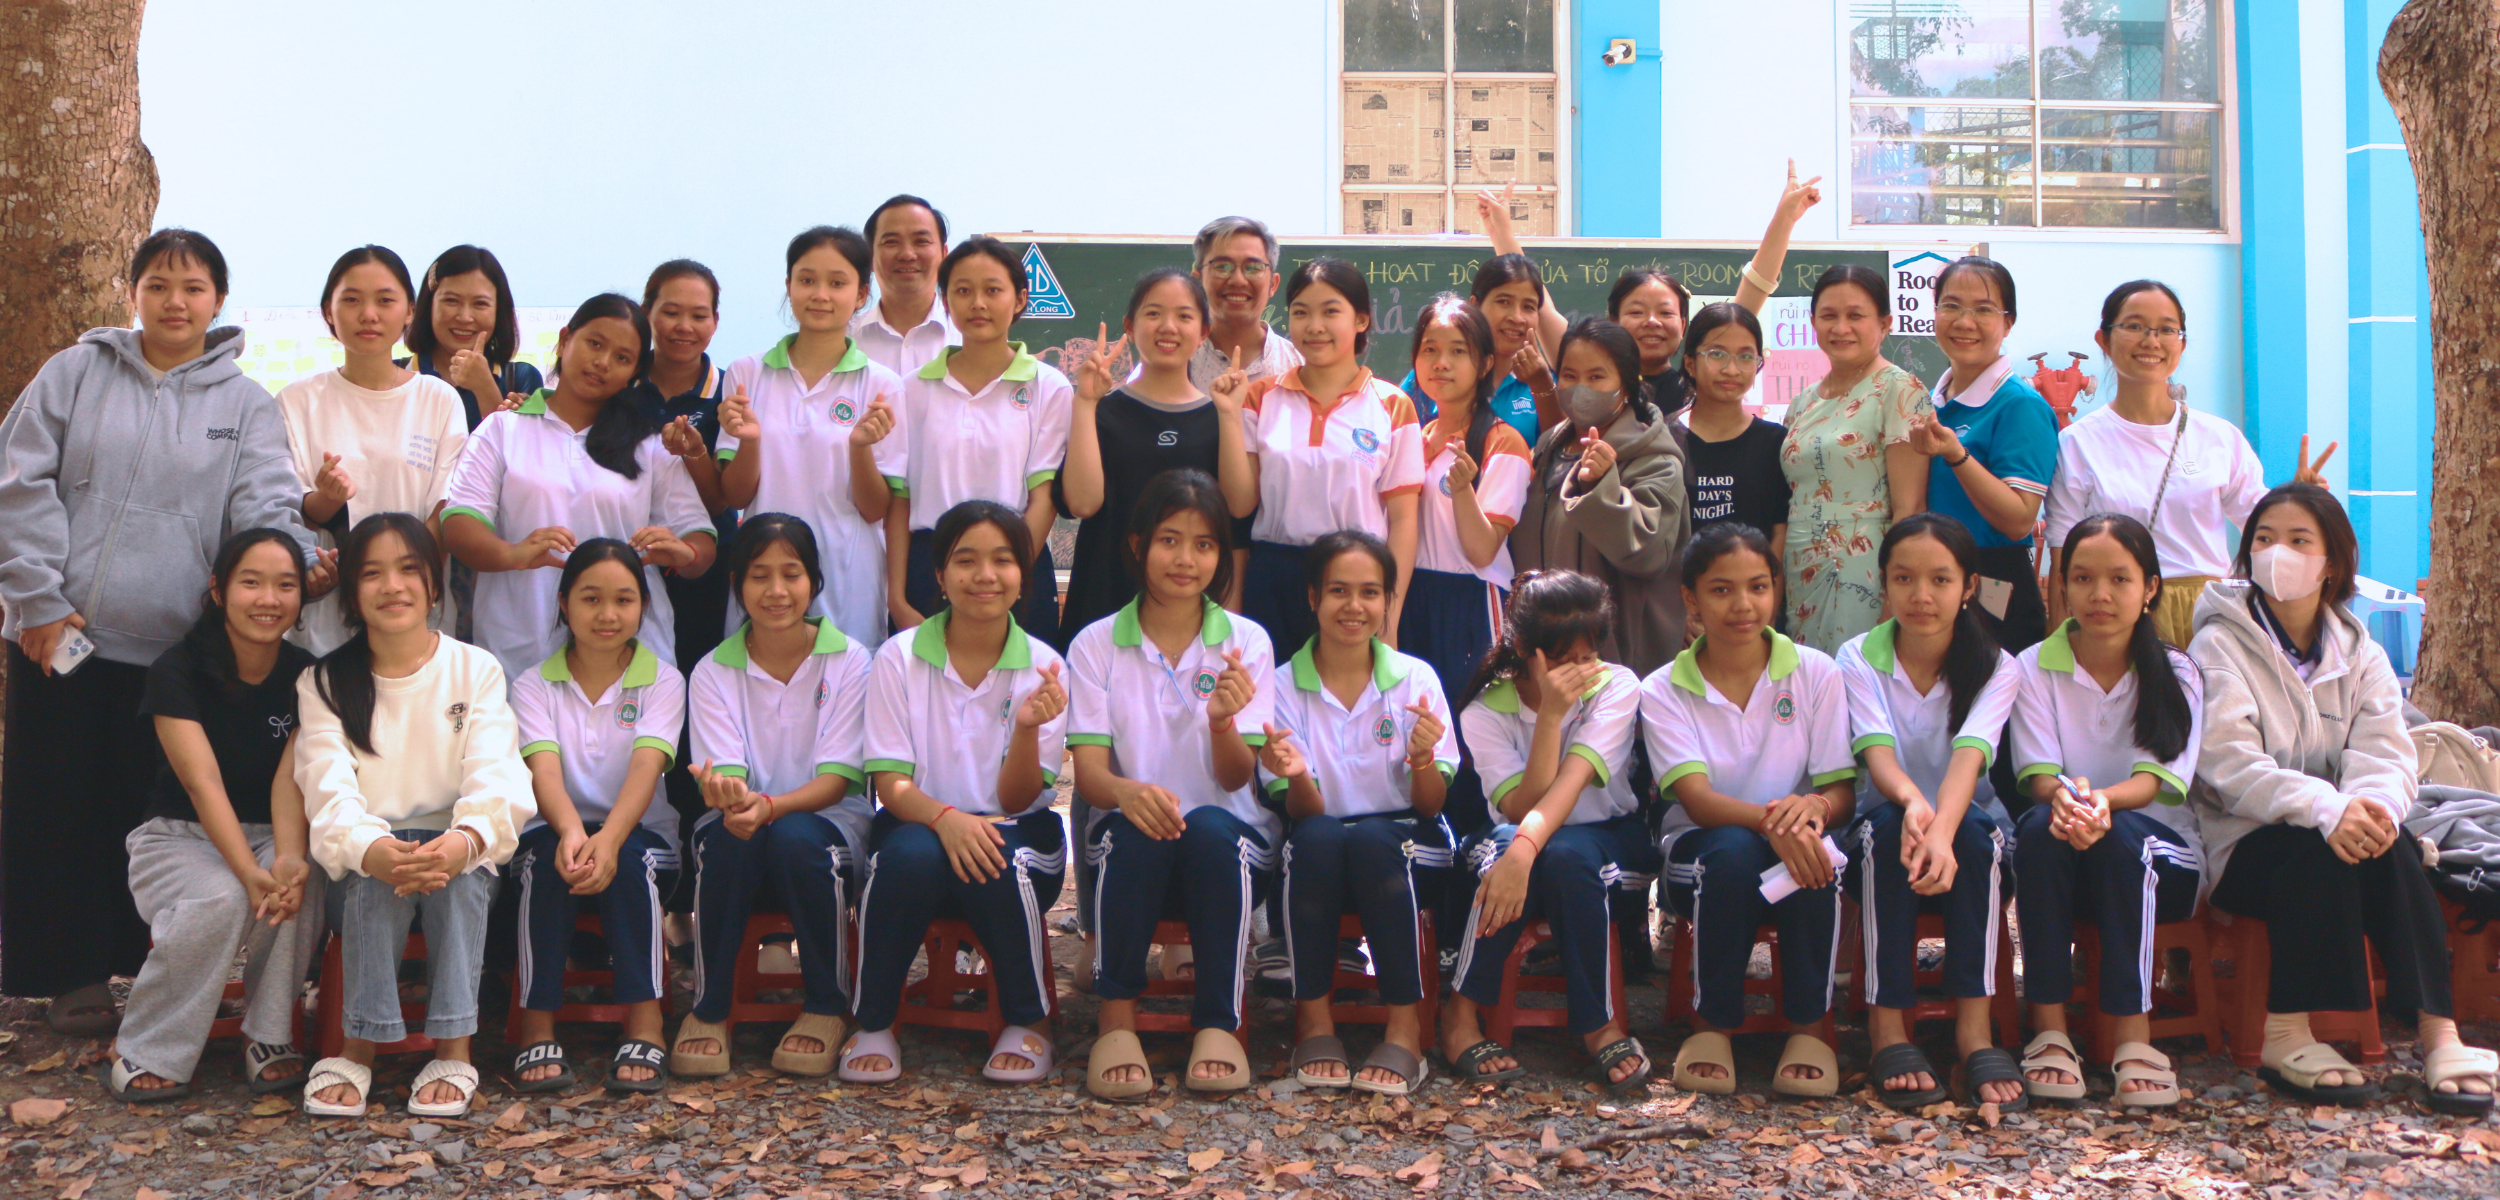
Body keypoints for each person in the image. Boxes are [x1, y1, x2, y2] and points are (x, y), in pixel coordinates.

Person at [0, 228, 319, 1025]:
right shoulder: (74, 372)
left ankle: (144, 971)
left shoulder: (245, 404)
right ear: (134, 292)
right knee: (58, 805)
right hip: (60, 637)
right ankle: (67, 978)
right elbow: (19, 482)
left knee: (145, 814)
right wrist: (37, 600)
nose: (176, 302)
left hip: (176, 657)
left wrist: (296, 561)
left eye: (193, 287)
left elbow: (266, 505)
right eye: (159, 285)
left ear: (218, 301)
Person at [2189, 484, 2497, 1113]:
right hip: (2242, 845)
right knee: (2314, 849)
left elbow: (2387, 752)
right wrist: (2326, 809)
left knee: (2396, 843)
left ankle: (2439, 1034)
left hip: (2342, 831)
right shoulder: (2217, 646)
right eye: (2264, 539)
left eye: (2298, 540)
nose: (2278, 553)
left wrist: (2371, 808)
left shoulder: (2362, 653)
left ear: (2332, 562)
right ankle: (2285, 1033)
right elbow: (2228, 766)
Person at [296, 514, 533, 1120]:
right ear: (351, 593)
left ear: (433, 585)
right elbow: (326, 789)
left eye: (408, 569)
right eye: (371, 573)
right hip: (366, 857)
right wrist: (372, 850)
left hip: (458, 847)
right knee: (378, 881)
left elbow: (497, 775)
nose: (392, 586)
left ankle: (455, 1048)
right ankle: (360, 1047)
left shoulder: (474, 669)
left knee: (460, 880)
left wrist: (463, 841)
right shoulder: (324, 681)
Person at [1068, 471, 1276, 1099]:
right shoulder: (1095, 644)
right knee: (1133, 828)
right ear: (1137, 545)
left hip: (1227, 847)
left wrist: (1223, 723)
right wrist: (1127, 793)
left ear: (1220, 555)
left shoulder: (1246, 642)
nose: (1186, 559)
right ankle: (1116, 1022)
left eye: (1204, 544)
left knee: (1210, 826)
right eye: (1169, 540)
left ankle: (1219, 1022)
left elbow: (1238, 778)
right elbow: (1089, 775)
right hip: (1133, 845)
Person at [849, 501, 1070, 1084]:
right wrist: (946, 819)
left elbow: (1019, 801)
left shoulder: (1045, 666)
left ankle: (1028, 1020)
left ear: (1023, 575)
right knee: (905, 855)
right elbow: (890, 784)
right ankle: (873, 1022)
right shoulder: (898, 657)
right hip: (919, 824)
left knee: (996, 855)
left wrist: (1027, 729)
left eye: (1002, 560)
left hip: (1017, 832)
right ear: (940, 576)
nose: (985, 576)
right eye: (966, 560)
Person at [107, 530, 322, 1103]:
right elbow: (201, 783)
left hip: (273, 829)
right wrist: (247, 872)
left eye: (286, 585)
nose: (268, 599)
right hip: (179, 838)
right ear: (219, 589)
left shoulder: (307, 675)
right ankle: (147, 1045)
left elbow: (291, 780)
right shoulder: (177, 669)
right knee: (222, 897)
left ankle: (268, 1034)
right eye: (251, 582)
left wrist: (288, 856)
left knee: (303, 881)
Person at [1642, 524, 1854, 1098]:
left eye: (1758, 587)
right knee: (1734, 854)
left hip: (1794, 841)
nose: (1743, 605)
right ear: (1690, 598)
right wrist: (1775, 825)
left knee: (1813, 856)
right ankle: (1712, 1026)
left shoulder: (1816, 671)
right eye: (1721, 590)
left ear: (1776, 590)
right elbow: (1697, 801)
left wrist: (1812, 809)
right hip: (1699, 851)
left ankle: (1810, 1028)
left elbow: (1840, 790)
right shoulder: (1663, 689)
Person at [2008, 514, 2206, 1108]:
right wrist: (2068, 803)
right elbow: (2038, 775)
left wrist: (2099, 803)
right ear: (2061, 586)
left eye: (2119, 579)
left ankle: (2133, 1037)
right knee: (2037, 830)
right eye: (2083, 578)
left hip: (2163, 860)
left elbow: (2153, 783)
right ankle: (2048, 1031)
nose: (2100, 594)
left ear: (2150, 588)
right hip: (2068, 844)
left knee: (2123, 841)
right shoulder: (2031, 666)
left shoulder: (2178, 671)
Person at [671, 515, 875, 1079]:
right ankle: (710, 1007)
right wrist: (728, 794)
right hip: (742, 822)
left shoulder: (851, 661)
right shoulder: (713, 670)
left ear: (814, 581)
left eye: (792, 574)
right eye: (759, 575)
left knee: (795, 838)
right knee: (728, 840)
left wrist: (772, 807)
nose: (777, 591)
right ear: (737, 584)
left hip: (832, 822)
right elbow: (726, 774)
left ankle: (826, 1004)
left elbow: (839, 779)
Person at [1837, 514, 2024, 1110]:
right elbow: (1876, 753)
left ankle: (1975, 1035)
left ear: (1969, 586)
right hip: (1884, 831)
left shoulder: (1998, 665)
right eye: (1904, 578)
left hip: (1967, 833)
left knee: (1975, 837)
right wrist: (1914, 802)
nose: (1921, 595)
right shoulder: (1857, 657)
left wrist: (1939, 829)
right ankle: (1888, 1030)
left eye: (1940, 579)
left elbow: (1970, 757)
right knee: (1885, 831)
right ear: (1884, 583)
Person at [1259, 532, 1454, 1097]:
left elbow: (1432, 804)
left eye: (1370, 592)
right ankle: (1315, 1023)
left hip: (1408, 841)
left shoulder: (1416, 679)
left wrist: (1422, 759)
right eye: (1338, 590)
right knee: (1316, 837)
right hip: (1323, 845)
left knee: (1372, 839)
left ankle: (1405, 1031)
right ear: (1313, 597)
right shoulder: (1280, 685)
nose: (1354, 606)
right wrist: (1298, 775)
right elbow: (1306, 811)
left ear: (1388, 601)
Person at [1443, 570, 1653, 1094]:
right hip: (1517, 838)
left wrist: (1525, 848)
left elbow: (1573, 782)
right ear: (1524, 649)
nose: (1580, 671)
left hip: (1605, 838)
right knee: (1506, 849)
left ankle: (1598, 1024)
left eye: (1588, 656)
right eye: (1562, 660)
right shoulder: (1483, 710)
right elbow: (1521, 807)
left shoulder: (1617, 686)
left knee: (1565, 855)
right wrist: (1550, 719)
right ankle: (1460, 1016)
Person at [2041, 280, 2333, 647]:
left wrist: (2300, 503)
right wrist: (2058, 650)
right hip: (2118, 618)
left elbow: (2263, 527)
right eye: (2134, 326)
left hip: (2212, 620)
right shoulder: (2076, 443)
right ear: (2104, 340)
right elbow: (2063, 556)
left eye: (2166, 330)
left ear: (2181, 343)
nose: (2151, 341)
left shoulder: (2218, 437)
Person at [443, 293, 717, 681]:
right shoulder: (502, 429)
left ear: (634, 373)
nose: (603, 362)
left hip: (631, 655)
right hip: (522, 647)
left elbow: (700, 542)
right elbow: (460, 527)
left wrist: (683, 553)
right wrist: (514, 555)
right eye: (595, 344)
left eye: (622, 357)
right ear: (565, 339)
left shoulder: (650, 444)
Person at [507, 539, 686, 1095]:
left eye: (623, 600)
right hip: (555, 831)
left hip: (643, 838)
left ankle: (646, 1023)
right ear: (564, 604)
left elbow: (647, 767)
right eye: (591, 599)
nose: (607, 614)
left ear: (643, 607)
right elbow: (542, 772)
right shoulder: (532, 685)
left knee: (630, 861)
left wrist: (607, 838)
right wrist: (570, 831)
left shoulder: (664, 681)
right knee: (543, 861)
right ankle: (536, 1025)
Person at [1478, 164, 1824, 418]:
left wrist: (1785, 219)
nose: (1652, 322)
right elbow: (1540, 306)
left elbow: (1753, 290)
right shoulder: (1586, 371)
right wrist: (1501, 232)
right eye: (1636, 312)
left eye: (1666, 312)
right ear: (1613, 320)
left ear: (1684, 326)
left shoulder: (1696, 382)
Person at [717, 228, 908, 648]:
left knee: (845, 678)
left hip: (847, 575)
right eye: (807, 280)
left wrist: (859, 449)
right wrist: (750, 441)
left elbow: (875, 509)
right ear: (789, 286)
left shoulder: (882, 385)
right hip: (765, 573)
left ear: (861, 294)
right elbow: (735, 495)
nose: (820, 294)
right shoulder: (747, 373)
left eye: (837, 283)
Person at [277, 245, 468, 654]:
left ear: (410, 310)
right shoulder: (296, 401)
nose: (368, 314)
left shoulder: (437, 399)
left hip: (414, 612)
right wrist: (327, 499)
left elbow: (444, 509)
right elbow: (288, 508)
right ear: (328, 311)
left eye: (384, 300)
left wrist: (408, 581)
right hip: (324, 622)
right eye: (351, 300)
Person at [884, 236, 1071, 644]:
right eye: (963, 291)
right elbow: (899, 499)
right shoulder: (910, 389)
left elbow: (1045, 497)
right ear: (945, 301)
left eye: (993, 290)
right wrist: (896, 597)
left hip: (1018, 563)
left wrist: (1008, 572)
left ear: (1020, 299)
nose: (978, 304)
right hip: (930, 565)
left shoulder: (1049, 386)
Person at [1235, 258, 1424, 656]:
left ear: (1361, 320)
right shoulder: (1259, 397)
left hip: (1354, 582)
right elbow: (1240, 504)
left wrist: (1389, 617)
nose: (1314, 326)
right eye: (1301, 312)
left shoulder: (1392, 405)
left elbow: (1404, 520)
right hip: (1274, 579)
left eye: (1330, 312)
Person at [1397, 295, 1532, 840]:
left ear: (1485, 363)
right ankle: (1427, 848)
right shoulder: (1413, 436)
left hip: (1473, 604)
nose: (1441, 363)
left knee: (1472, 729)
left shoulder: (1504, 441)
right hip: (1413, 598)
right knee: (1418, 727)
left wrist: (1461, 492)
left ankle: (1478, 850)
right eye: (1430, 350)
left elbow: (1482, 551)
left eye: (1458, 351)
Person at [1059, 269, 1257, 638]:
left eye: (1184, 316)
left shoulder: (1220, 415)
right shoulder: (1100, 411)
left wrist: (1230, 415)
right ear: (1129, 327)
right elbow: (1082, 504)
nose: (1168, 327)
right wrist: (1085, 403)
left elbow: (1239, 507)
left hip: (1192, 611)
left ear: (1203, 332)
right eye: (1153, 314)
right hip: (1105, 601)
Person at [1509, 318, 1689, 677]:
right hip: (1542, 654)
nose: (1581, 388)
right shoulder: (1547, 449)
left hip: (1613, 659)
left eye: (1596, 377)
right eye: (1569, 375)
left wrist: (1602, 486)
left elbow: (1646, 552)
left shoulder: (1655, 460)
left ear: (1627, 385)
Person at [1904, 256, 2059, 654]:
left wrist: (1956, 455)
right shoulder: (1929, 402)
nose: (1964, 321)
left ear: (2008, 323)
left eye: (1984, 309)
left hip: (1994, 585)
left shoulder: (2020, 405)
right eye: (1951, 306)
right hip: (1931, 579)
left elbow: (2019, 518)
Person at [1780, 264, 1932, 653]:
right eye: (1829, 315)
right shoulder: (1802, 402)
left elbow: (1910, 507)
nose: (1841, 327)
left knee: (1857, 673)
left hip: (1862, 564)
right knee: (1805, 677)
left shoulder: (1900, 389)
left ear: (1884, 324)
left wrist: (1896, 591)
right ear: (1813, 322)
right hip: (1799, 562)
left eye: (1855, 315)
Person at [622, 259, 738, 667]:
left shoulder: (728, 392)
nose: (684, 327)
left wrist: (693, 453)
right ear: (646, 313)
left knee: (701, 671)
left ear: (715, 321)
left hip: (707, 562)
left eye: (699, 316)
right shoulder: (619, 385)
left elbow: (722, 500)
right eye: (671, 312)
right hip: (626, 558)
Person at [1395, 253, 1551, 441]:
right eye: (1504, 302)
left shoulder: (1542, 382)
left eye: (1528, 307)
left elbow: (1561, 448)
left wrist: (1543, 387)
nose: (1517, 318)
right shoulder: (1433, 373)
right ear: (1475, 305)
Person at [1676, 302, 1791, 552]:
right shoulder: (1663, 438)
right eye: (1717, 354)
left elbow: (1780, 532)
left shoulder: (1775, 442)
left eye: (1746, 357)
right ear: (1690, 364)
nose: (1731, 370)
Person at [406, 244, 544, 431]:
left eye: (480, 303)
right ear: (428, 304)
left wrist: (484, 387)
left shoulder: (521, 379)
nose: (465, 317)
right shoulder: (395, 375)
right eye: (451, 300)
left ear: (499, 311)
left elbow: (514, 448)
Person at [1189, 216, 1303, 391]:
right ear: (1198, 281)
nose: (1238, 280)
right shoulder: (1175, 363)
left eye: (1253, 268)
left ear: (1273, 284)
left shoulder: (1300, 366)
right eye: (1222, 266)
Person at [852, 194, 958, 379]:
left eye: (921, 241)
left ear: (944, 254)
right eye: (891, 242)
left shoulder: (968, 339)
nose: (907, 254)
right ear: (870, 256)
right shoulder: (845, 341)